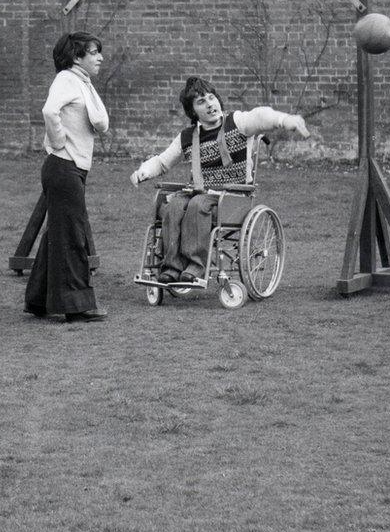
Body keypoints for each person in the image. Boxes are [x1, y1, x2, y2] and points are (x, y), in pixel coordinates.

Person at [130, 77, 310, 282]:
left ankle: (196, 265)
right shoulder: (187, 137)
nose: (209, 104)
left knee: (198, 204)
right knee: (174, 205)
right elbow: (163, 162)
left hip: (233, 194)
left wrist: (284, 120)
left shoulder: (237, 123)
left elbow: (259, 116)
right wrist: (143, 171)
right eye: (201, 102)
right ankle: (171, 267)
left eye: (211, 98)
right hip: (200, 190)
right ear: (192, 111)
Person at [24, 32, 109, 323]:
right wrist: (58, 142)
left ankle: (38, 299)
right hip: (63, 166)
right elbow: (49, 111)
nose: (100, 57)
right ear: (76, 57)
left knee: (58, 232)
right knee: (73, 235)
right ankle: (77, 306)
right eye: (94, 52)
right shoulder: (67, 80)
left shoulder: (80, 82)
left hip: (69, 168)